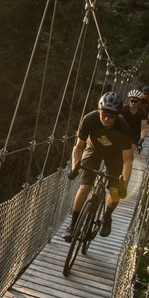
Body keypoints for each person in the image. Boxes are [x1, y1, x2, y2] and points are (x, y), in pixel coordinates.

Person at [63, 91, 133, 241]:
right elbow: (78, 147)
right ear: (99, 110)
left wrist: (124, 185)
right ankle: (72, 226)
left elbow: (128, 160)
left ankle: (106, 217)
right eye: (104, 114)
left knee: (114, 192)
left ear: (117, 116)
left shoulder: (123, 127)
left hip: (115, 154)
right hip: (93, 149)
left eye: (111, 116)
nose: (107, 118)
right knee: (84, 187)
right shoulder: (89, 119)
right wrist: (75, 167)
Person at [120, 89, 149, 159]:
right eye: (131, 100)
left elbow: (143, 128)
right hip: (123, 133)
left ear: (139, 102)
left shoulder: (143, 112)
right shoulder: (123, 109)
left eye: (135, 101)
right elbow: (118, 121)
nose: (133, 103)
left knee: (129, 153)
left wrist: (141, 140)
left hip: (135, 135)